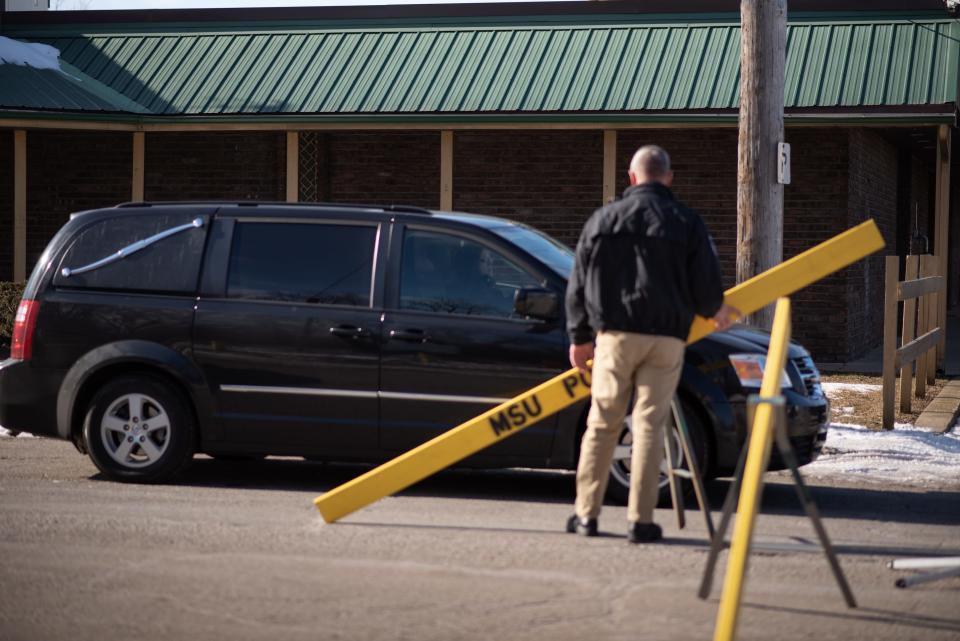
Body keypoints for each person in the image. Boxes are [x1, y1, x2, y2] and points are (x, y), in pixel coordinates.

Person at [565, 145, 739, 543]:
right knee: (649, 426)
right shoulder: (687, 222)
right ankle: (640, 521)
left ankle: (586, 515)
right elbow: (706, 286)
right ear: (668, 177)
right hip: (666, 340)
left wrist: (579, 338)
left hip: (615, 338)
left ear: (631, 177)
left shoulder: (602, 219)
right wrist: (717, 310)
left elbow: (577, 283)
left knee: (603, 423)